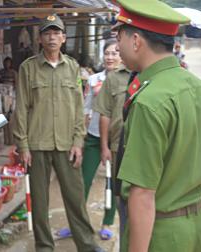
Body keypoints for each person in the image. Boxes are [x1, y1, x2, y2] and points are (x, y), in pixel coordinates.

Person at [112, 0, 201, 251]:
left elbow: (143, 194)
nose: (116, 46)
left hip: (160, 234)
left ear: (136, 40)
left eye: (119, 36)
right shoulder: (199, 88)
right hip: (197, 226)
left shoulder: (149, 100)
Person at [12, 14, 102, 252]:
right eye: (47, 33)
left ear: (63, 37)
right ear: (40, 38)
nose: (52, 37)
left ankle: (86, 243)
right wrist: (22, 145)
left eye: (56, 33)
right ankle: (44, 246)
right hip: (37, 143)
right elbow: (21, 107)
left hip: (67, 143)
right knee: (40, 201)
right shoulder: (28, 68)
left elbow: (78, 108)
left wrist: (78, 141)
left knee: (75, 196)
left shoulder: (72, 67)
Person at [81, 39, 121, 240]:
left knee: (113, 183)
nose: (110, 57)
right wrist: (81, 135)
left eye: (115, 53)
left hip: (117, 141)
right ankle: (79, 223)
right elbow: (86, 109)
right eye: (107, 53)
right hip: (94, 137)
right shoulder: (93, 79)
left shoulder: (130, 79)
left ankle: (107, 222)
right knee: (83, 180)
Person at [92, 62, 131, 244]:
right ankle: (124, 241)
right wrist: (104, 146)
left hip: (147, 147)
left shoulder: (151, 73)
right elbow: (105, 114)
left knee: (142, 197)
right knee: (121, 197)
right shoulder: (113, 78)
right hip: (118, 148)